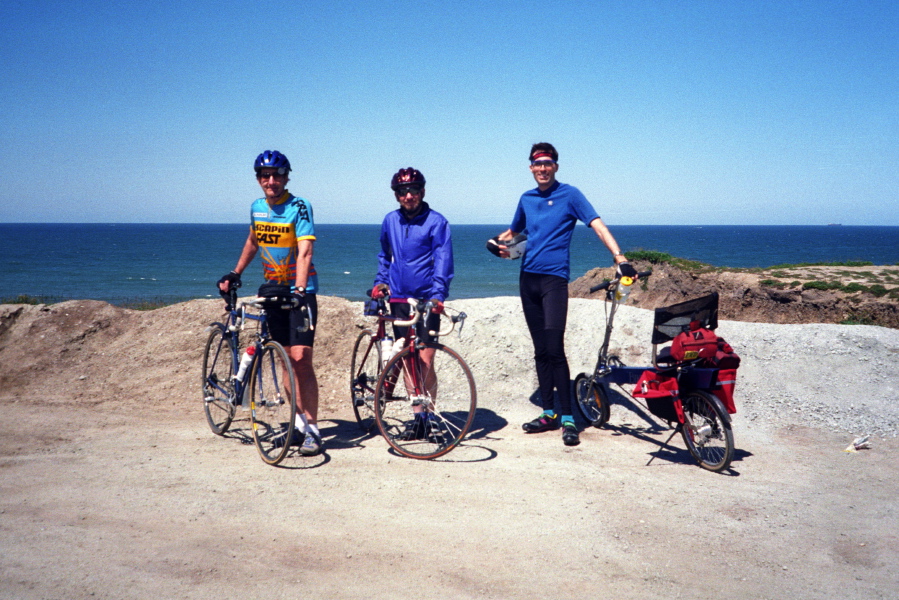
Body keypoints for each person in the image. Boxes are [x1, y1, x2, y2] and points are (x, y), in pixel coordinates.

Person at [495, 143, 638, 447]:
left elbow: (597, 225)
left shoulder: (570, 195)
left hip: (554, 281)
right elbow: (514, 232)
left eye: (547, 163)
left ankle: (568, 417)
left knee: (555, 348)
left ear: (556, 166)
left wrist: (620, 258)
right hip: (528, 280)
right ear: (531, 167)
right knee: (540, 350)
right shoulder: (527, 198)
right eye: (537, 164)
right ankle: (548, 413)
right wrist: (495, 243)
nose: (542, 169)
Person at [217, 150, 323, 456]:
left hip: (300, 291)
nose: (271, 181)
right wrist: (236, 272)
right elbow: (254, 240)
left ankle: (314, 430)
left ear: (287, 176)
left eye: (277, 175)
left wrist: (300, 289)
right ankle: (300, 425)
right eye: (265, 176)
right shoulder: (256, 208)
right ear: (259, 179)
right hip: (272, 291)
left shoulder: (299, 207)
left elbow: (305, 251)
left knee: (302, 359)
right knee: (286, 361)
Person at [371, 167, 454, 441]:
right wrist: (381, 281)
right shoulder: (390, 220)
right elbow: (385, 254)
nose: (409, 196)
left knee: (425, 359)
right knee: (408, 359)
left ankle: (428, 416)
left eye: (413, 190)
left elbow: (443, 260)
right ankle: (418, 417)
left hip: (426, 298)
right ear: (396, 195)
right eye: (403, 191)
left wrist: (438, 296)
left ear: (423, 192)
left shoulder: (437, 222)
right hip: (397, 298)